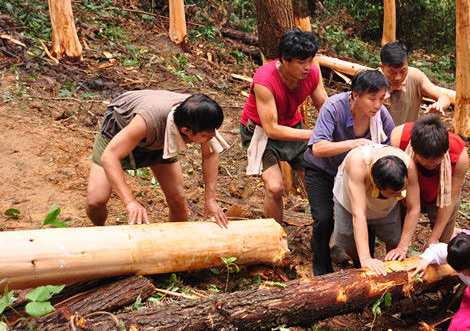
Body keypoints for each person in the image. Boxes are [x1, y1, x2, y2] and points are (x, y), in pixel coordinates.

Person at [86, 91, 228, 227]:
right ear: (186, 130)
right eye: (205, 136)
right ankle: (99, 230)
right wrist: (130, 201)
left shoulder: (202, 118)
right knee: (96, 201)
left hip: (160, 140)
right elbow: (109, 157)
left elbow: (209, 154)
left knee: (177, 199)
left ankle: (176, 247)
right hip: (117, 135)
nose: (212, 136)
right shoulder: (147, 120)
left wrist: (210, 199)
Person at [303, 69, 396, 275]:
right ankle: (321, 270)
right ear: (355, 94)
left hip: (357, 175)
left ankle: (363, 266)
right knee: (324, 218)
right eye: (372, 99)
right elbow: (317, 148)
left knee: (364, 215)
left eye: (382, 99)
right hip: (323, 170)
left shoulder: (381, 115)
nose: (377, 105)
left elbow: (391, 146)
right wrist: (354, 144)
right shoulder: (333, 107)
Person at [239, 29, 327, 223]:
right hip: (261, 133)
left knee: (316, 181)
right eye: (301, 62)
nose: (307, 67)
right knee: (274, 187)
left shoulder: (313, 72)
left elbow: (324, 106)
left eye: (310, 60)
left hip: (294, 127)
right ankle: (276, 236)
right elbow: (271, 129)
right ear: (285, 60)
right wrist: (313, 134)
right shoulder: (264, 81)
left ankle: (326, 234)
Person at [332, 144, 420, 275]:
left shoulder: (408, 165)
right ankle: (358, 266)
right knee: (348, 241)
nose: (401, 195)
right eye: (394, 192)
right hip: (350, 204)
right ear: (377, 186)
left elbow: (414, 208)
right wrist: (365, 258)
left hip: (385, 208)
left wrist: (402, 248)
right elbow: (359, 214)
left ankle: (394, 271)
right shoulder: (358, 164)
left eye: (403, 189)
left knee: (394, 238)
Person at [391, 115, 468, 248]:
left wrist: (434, 238)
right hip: (405, 192)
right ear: (414, 149)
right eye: (425, 158)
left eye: (436, 159)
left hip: (443, 196)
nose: (430, 163)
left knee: (442, 243)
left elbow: (449, 199)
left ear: (445, 152)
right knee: (395, 235)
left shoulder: (460, 157)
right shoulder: (398, 139)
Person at [379, 42, 451, 125]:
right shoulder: (372, 81)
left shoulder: (415, 76)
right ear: (382, 67)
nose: (398, 77)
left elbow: (444, 98)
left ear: (407, 63)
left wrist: (439, 105)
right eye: (392, 72)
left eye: (403, 71)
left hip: (408, 135)